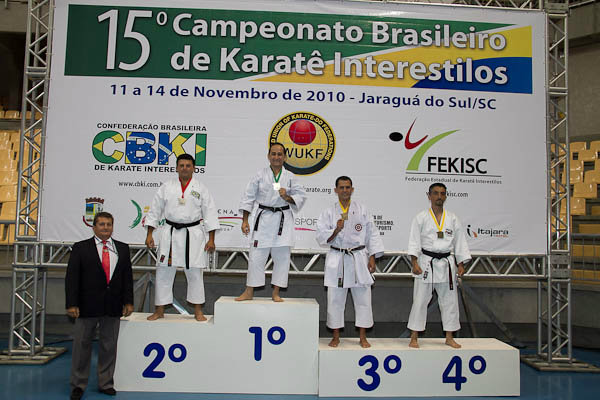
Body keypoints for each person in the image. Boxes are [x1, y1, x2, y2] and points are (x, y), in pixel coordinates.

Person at [65, 212, 133, 400]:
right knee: (82, 347)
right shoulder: (80, 248)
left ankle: (106, 383)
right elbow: (72, 278)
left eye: (109, 224)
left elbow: (127, 277)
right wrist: (71, 303)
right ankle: (78, 385)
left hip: (113, 305)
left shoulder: (122, 248)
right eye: (102, 224)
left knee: (109, 346)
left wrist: (128, 301)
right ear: (94, 227)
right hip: (86, 306)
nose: (105, 227)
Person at [145, 153, 219, 321]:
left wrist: (211, 239)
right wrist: (149, 234)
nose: (185, 168)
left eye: (188, 165)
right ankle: (159, 310)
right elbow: (155, 211)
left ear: (193, 168)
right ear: (177, 168)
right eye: (182, 165)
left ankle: (198, 311)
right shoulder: (166, 187)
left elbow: (210, 213)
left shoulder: (201, 188)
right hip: (170, 233)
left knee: (194, 272)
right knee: (164, 270)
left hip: (192, 234)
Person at [316, 176, 384, 348]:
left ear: (352, 189)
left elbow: (372, 234)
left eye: (347, 187)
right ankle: (336, 336)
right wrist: (336, 230)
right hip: (337, 257)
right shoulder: (328, 212)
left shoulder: (362, 210)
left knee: (363, 299)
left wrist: (372, 256)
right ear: (336, 190)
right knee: (335, 300)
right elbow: (321, 237)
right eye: (341, 187)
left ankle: (362, 337)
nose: (345, 190)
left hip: (358, 257)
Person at [236, 142, 306, 302]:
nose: (276, 157)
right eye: (273, 154)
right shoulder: (260, 175)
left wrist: (287, 197)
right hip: (263, 219)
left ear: (285, 157)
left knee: (282, 258)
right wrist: (245, 220)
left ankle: (276, 292)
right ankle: (249, 291)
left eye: (279, 154)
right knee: (256, 256)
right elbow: (248, 197)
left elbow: (301, 196)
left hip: (283, 219)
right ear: (268, 156)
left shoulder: (290, 177)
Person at [407, 182, 471, 349]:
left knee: (450, 302)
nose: (439, 196)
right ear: (429, 196)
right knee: (420, 300)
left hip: (446, 264)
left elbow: (459, 242)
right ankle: (414, 337)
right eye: (435, 193)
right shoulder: (421, 217)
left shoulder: (453, 218)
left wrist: (460, 263)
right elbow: (414, 241)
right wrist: (414, 262)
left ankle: (449, 337)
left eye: (442, 193)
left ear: (446, 196)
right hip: (426, 263)